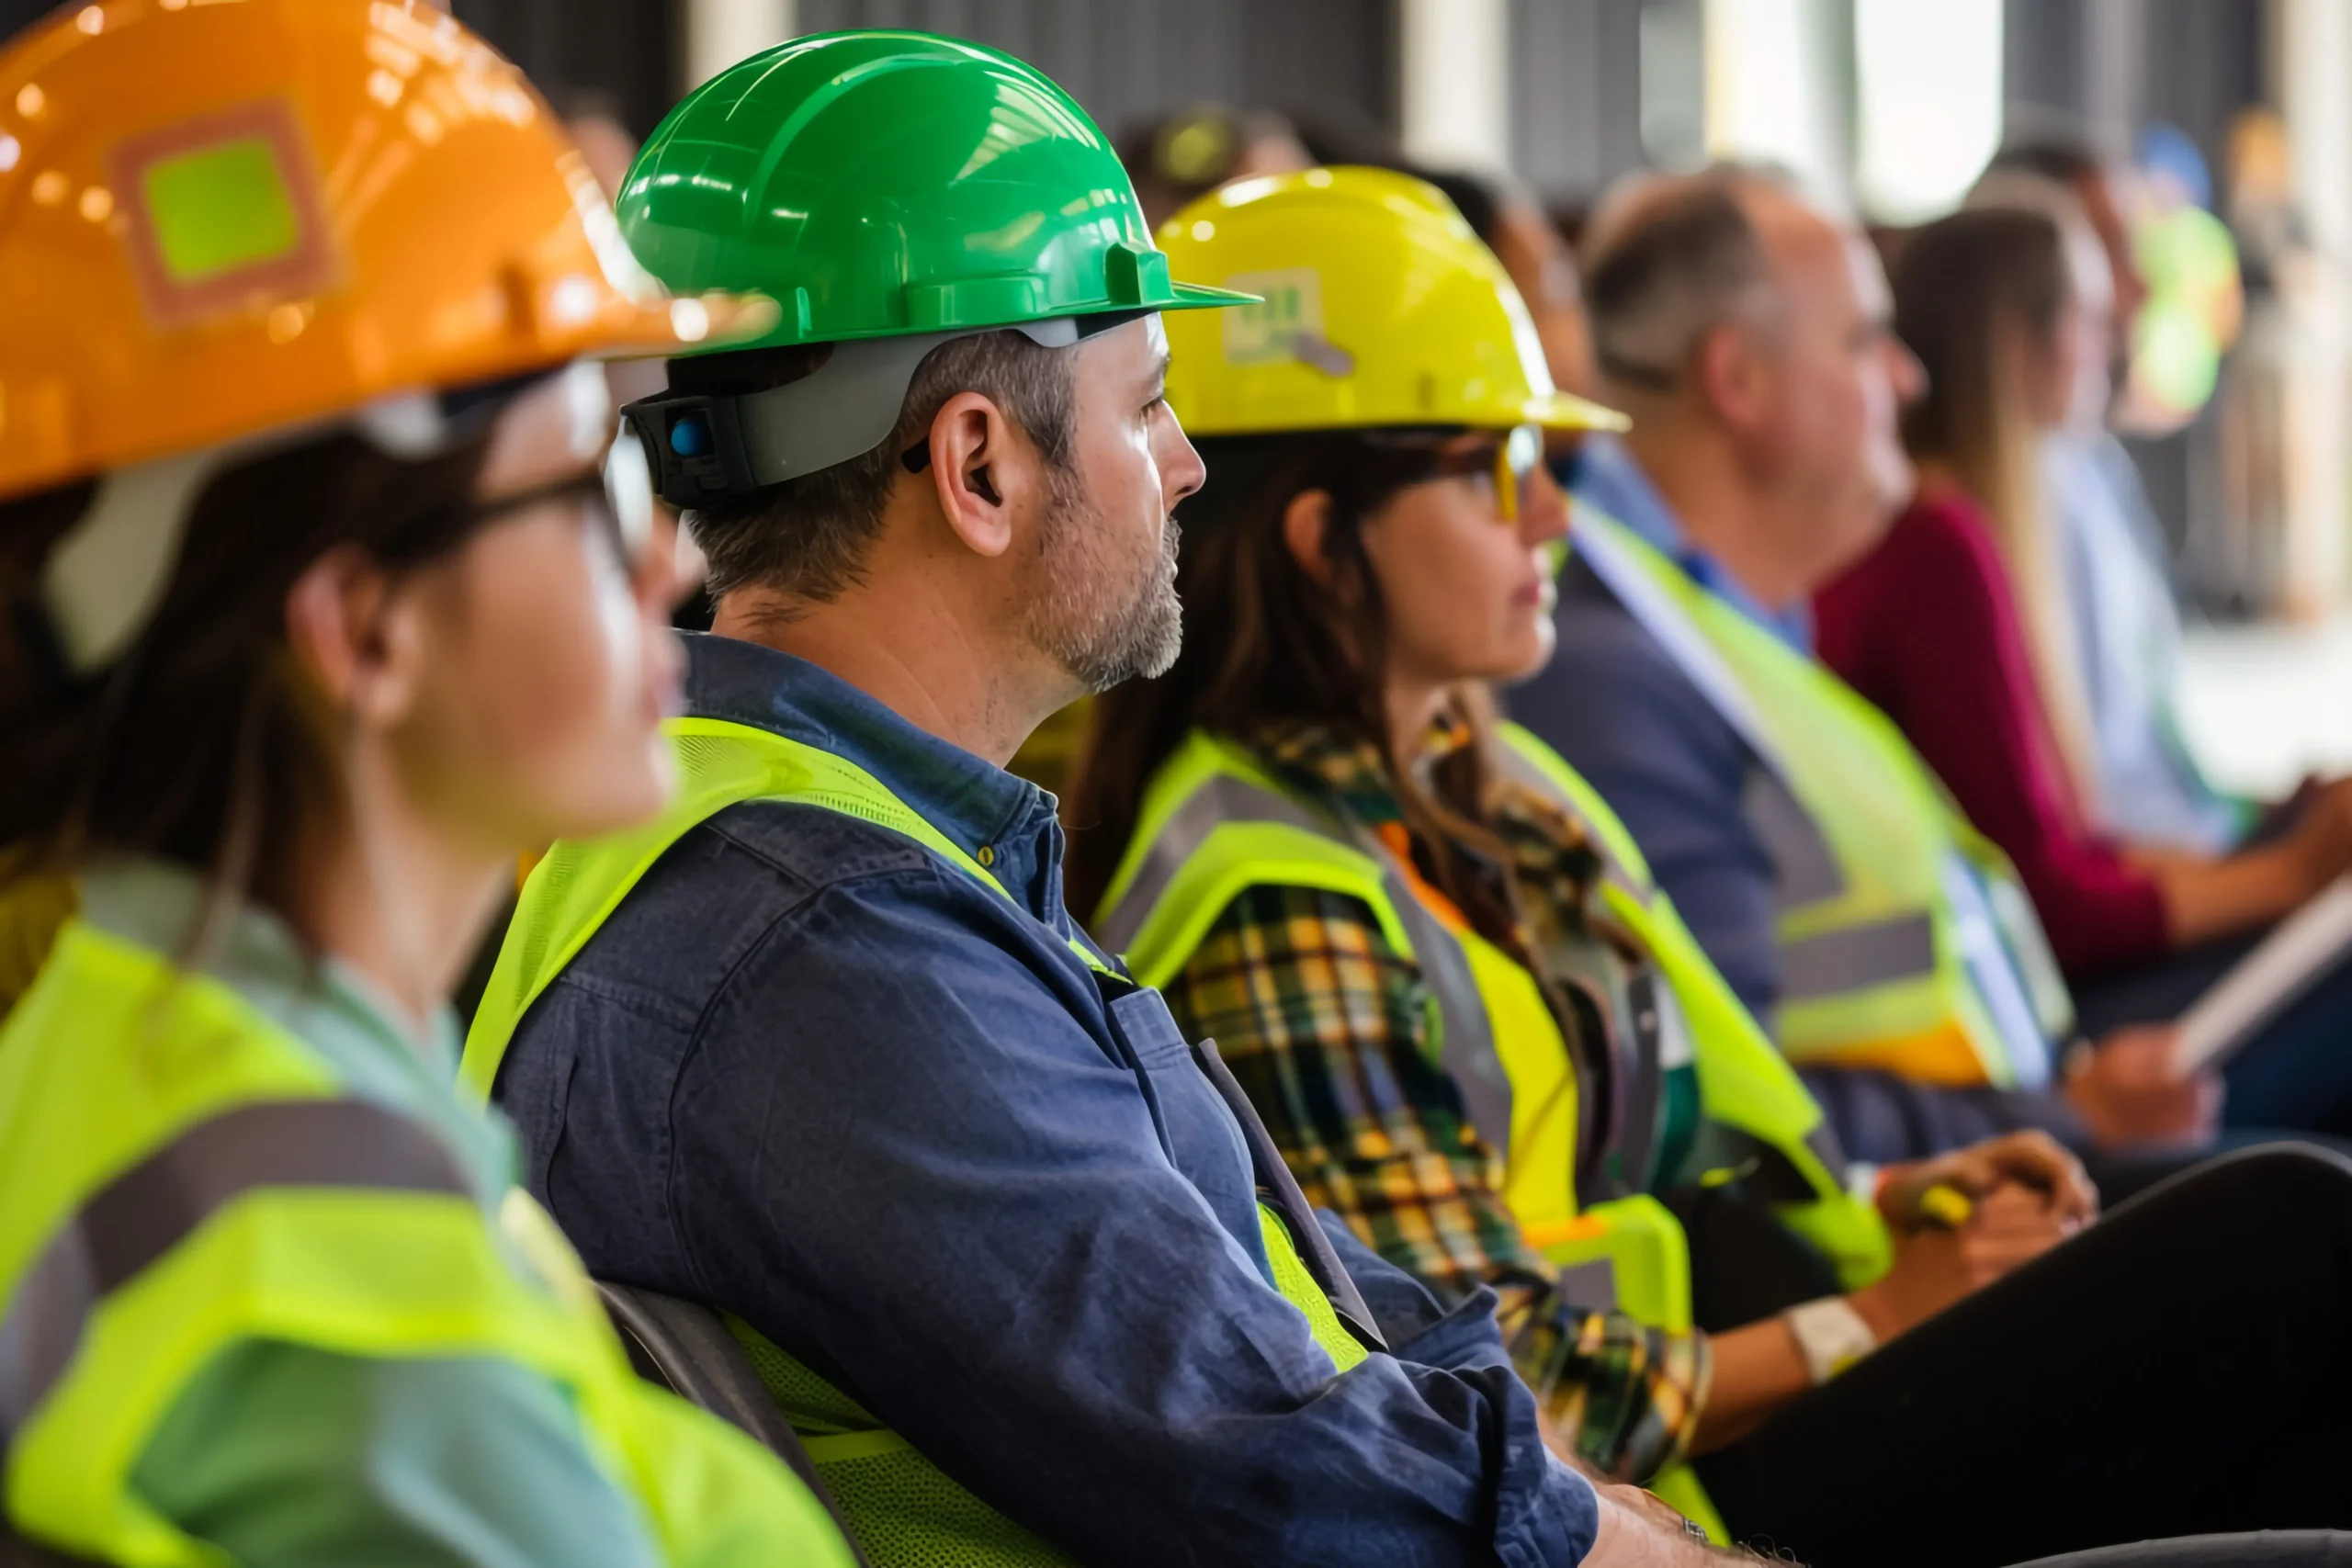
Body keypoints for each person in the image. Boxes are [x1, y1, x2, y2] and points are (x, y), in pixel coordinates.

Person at [457, 32, 1718, 1566]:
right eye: (1146, 407)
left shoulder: (842, 849)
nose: (1187, 466)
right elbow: (1277, 1474)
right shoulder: (833, 943)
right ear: (979, 468)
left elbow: (1305, 1331)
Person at [1063, 163, 2352, 1568]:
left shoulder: (1486, 786)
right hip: (1667, 1503)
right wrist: (1865, 1313)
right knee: (2280, 1235)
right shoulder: (1276, 891)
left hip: (1744, 1395)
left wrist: (1877, 1206)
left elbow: (1688, 1127)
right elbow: (1473, 1384)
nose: (1554, 516)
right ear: (1323, 541)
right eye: (1500, 470)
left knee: (2284, 1238)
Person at [0, 3, 854, 1564]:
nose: (670, 547)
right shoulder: (341, 1311)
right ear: (362, 623)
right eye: (598, 471)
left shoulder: (135, 1045)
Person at [1502, 167, 2245, 1185]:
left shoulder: (1737, 615)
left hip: (1989, 1134)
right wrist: (2062, 1114)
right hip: (1919, 1216)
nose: (1907, 378)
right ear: (1738, 382)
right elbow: (1735, 1117)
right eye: (1862, 340)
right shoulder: (1617, 663)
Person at [1815, 206, 2352, 1136]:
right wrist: (2290, 874)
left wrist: (2280, 847)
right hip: (2035, 1025)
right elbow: (2048, 894)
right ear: (2016, 344)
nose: (2115, 341)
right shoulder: (1939, 546)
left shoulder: (2002, 515)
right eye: (2090, 317)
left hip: (2024, 999)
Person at [1978, 141, 2260, 854]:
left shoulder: (2092, 464)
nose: (2136, 288)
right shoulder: (1998, 507)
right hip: (2145, 881)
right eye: (2107, 255)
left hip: (2185, 847)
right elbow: (2077, 836)